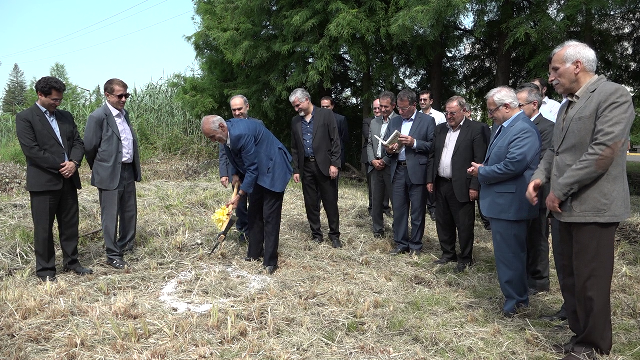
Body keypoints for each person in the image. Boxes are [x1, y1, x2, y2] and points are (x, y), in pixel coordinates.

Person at [526, 40, 634, 358]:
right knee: (570, 278)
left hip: (594, 207)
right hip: (563, 209)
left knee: (591, 281)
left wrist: (559, 189)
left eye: (555, 70)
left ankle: (594, 344)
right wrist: (539, 177)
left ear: (577, 66)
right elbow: (554, 151)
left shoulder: (614, 95)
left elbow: (602, 152)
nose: (551, 78)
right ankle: (579, 335)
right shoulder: (566, 105)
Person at [467, 86, 540, 317]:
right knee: (507, 256)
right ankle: (515, 299)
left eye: (491, 111)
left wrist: (483, 172)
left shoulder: (523, 129)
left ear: (506, 107)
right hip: (502, 203)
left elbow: (513, 165)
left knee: (511, 256)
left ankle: (516, 304)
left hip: (511, 205)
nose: (490, 115)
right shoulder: (504, 126)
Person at [16, 76, 93, 281]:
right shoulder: (26, 117)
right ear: (40, 95)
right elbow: (32, 151)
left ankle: (72, 263)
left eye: (60, 99)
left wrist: (74, 163)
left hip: (68, 180)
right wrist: (62, 166)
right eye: (54, 100)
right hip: (43, 182)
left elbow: (78, 142)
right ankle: (46, 270)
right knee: (43, 228)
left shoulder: (65, 116)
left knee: (70, 225)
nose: (58, 103)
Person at [202, 115, 292, 274]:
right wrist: (235, 173)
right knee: (254, 212)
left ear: (222, 127)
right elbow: (234, 155)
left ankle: (270, 262)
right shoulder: (226, 134)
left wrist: (239, 195)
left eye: (212, 137)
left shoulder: (240, 134)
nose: (212, 140)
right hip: (259, 169)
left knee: (269, 215)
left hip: (274, 167)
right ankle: (254, 253)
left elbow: (252, 169)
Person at [84, 78, 141, 270]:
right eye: (120, 95)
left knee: (129, 211)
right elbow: (90, 147)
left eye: (127, 95)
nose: (124, 99)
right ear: (107, 95)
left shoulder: (125, 115)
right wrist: (102, 167)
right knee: (110, 215)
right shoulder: (98, 117)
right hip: (109, 172)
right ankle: (112, 254)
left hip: (127, 170)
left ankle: (125, 245)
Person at [427, 96, 489, 272]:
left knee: (464, 224)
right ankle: (448, 253)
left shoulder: (477, 129)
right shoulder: (440, 130)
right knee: (443, 221)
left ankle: (465, 257)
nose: (449, 116)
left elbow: (480, 160)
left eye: (452, 113)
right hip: (441, 183)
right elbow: (433, 156)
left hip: (463, 184)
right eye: (447, 113)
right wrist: (430, 179)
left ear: (463, 110)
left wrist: (474, 186)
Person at [515, 83, 555, 294]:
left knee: (537, 236)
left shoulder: (547, 127)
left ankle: (538, 281)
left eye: (519, 104)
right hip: (519, 190)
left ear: (534, 104)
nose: (516, 108)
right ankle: (524, 274)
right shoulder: (516, 125)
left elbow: (542, 161)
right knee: (523, 235)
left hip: (537, 190)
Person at [385, 89, 435, 255]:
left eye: (404, 108)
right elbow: (386, 145)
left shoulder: (427, 121)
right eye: (399, 108)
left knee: (417, 211)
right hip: (398, 169)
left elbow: (432, 146)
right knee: (398, 210)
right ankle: (401, 243)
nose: (400, 111)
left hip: (417, 171)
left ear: (414, 105)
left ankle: (415, 245)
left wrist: (414, 143)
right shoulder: (394, 121)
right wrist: (390, 150)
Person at [290, 88, 342, 248]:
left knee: (330, 201)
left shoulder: (325, 115)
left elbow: (335, 140)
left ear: (306, 100)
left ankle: (334, 235)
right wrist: (296, 169)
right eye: (294, 106)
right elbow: (294, 147)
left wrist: (335, 163)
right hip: (306, 166)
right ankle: (316, 234)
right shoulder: (295, 121)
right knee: (310, 202)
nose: (296, 109)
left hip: (325, 166)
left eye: (298, 105)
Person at [218, 95, 264, 243]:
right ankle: (243, 231)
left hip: (255, 171)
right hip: (238, 173)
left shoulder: (257, 124)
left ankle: (257, 231)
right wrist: (228, 173)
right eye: (234, 110)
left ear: (247, 107)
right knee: (240, 205)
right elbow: (225, 152)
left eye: (240, 109)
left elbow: (261, 150)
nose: (237, 113)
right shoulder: (225, 127)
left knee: (256, 203)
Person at [366, 92, 397, 238]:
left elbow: (399, 146)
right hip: (375, 165)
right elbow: (370, 144)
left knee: (396, 200)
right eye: (381, 106)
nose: (383, 110)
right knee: (376, 200)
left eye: (386, 107)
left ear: (393, 105)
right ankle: (378, 229)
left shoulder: (399, 120)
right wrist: (372, 160)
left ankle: (398, 229)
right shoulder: (374, 122)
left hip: (391, 166)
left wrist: (385, 160)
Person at [418, 90, 446, 221]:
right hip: (419, 151)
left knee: (432, 180)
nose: (422, 102)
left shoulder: (439, 116)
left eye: (425, 99)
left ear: (431, 101)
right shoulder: (416, 115)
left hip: (434, 151)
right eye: (420, 100)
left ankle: (433, 208)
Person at [362, 98, 382, 215]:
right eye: (374, 108)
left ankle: (385, 207)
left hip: (384, 157)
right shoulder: (368, 121)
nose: (377, 110)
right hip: (370, 157)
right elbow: (367, 136)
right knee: (372, 185)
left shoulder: (391, 122)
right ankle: (372, 207)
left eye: (379, 108)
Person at [320, 96, 349, 169]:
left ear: (332, 106)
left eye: (327, 107)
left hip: (336, 155)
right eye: (323, 107)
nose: (325, 109)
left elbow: (344, 137)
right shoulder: (316, 120)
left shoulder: (341, 119)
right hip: (321, 155)